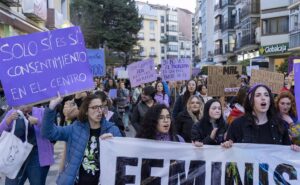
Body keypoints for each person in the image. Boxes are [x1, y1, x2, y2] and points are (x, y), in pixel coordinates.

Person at [42, 94, 122, 185]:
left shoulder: (112, 130)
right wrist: (51, 107)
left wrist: (114, 144)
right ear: (86, 111)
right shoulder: (75, 128)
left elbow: (123, 159)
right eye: (95, 107)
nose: (99, 111)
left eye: (101, 107)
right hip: (77, 181)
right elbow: (48, 133)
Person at [222, 84, 300, 152]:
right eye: (258, 95)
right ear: (251, 101)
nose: (263, 98)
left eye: (266, 95)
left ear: (270, 101)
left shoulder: (279, 124)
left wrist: (294, 149)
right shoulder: (237, 124)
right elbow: (229, 160)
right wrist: (227, 146)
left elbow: (286, 154)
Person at [0, 105, 54, 185]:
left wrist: (38, 122)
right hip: (16, 155)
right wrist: (10, 119)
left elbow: (53, 131)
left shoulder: (41, 111)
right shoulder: (13, 112)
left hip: (37, 156)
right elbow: (1, 130)